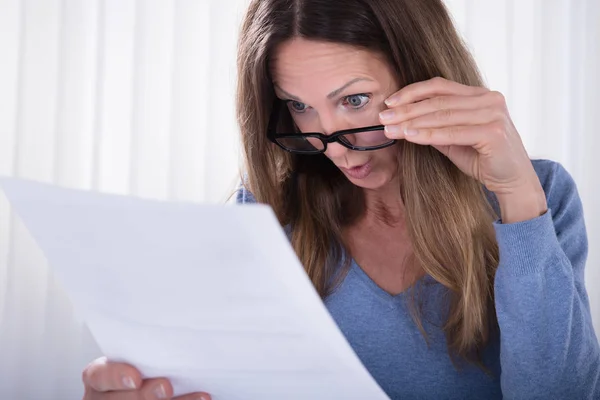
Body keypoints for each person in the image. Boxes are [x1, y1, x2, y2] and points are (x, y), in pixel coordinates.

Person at [81, 0, 600, 399]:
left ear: (423, 73)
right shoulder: (264, 216)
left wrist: (516, 196)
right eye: (299, 107)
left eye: (354, 100)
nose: (329, 144)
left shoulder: (538, 198)